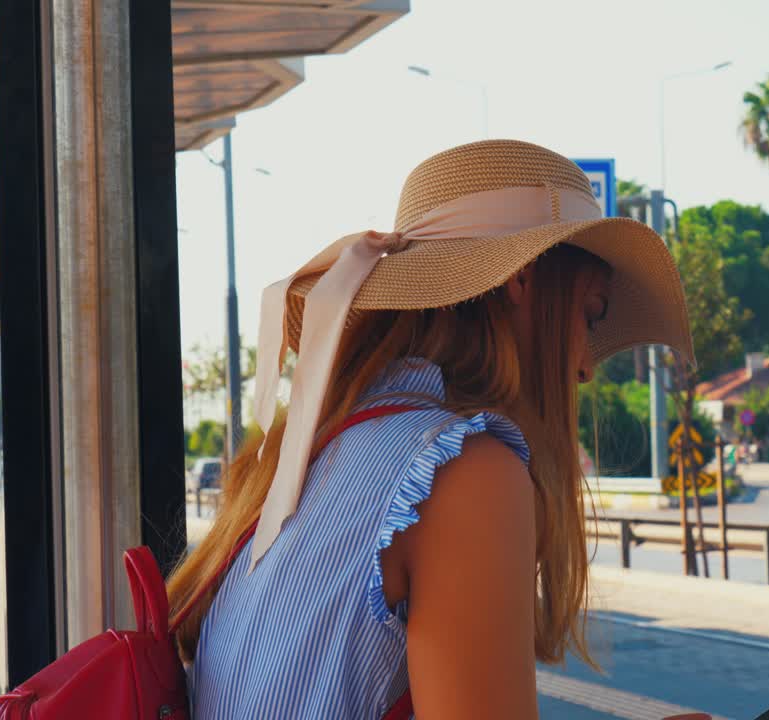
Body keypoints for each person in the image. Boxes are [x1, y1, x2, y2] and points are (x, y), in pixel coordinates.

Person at [166, 140, 694, 719]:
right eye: (589, 314)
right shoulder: (465, 470)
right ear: (521, 281)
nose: (588, 367)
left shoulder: (321, 448)